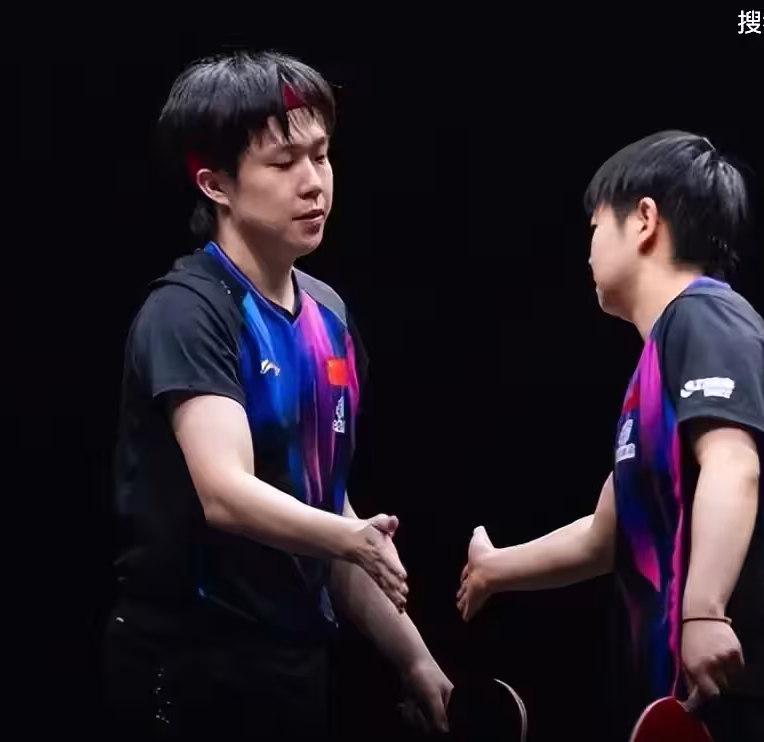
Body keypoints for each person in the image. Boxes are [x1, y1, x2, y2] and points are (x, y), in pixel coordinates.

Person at [103, 50, 451, 740]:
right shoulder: (188, 312)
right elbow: (226, 493)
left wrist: (415, 659)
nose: (313, 182)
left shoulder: (330, 318)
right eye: (283, 162)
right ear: (215, 184)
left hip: (294, 670)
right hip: (186, 671)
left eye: (320, 156)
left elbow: (323, 506)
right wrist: (352, 540)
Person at [456, 130, 764, 741]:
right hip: (676, 702)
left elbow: (733, 464)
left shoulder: (705, 316)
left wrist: (704, 611)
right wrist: (495, 569)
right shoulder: (656, 365)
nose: (587, 250)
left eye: (596, 226)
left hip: (741, 699)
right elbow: (606, 535)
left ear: (644, 221)